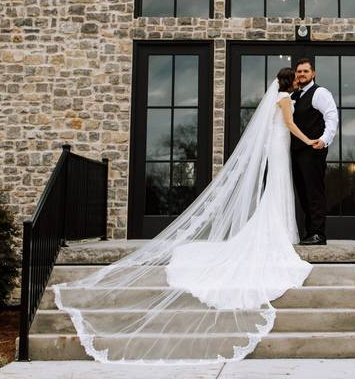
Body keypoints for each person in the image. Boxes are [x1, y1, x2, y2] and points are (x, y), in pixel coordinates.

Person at [52, 67, 315, 364]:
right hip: (279, 148)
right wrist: (309, 141)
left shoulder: (279, 97)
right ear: (288, 80)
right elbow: (290, 126)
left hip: (276, 148)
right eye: (296, 77)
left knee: (277, 188)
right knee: (278, 186)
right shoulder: (284, 99)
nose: (298, 80)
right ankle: (277, 230)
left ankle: (279, 228)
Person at [290, 58, 339, 246]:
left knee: (314, 192)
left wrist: (325, 140)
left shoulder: (320, 93)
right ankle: (310, 232)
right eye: (299, 71)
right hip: (296, 152)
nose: (301, 74)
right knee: (303, 193)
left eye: (305, 71)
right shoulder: (294, 96)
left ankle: (318, 234)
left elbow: (331, 116)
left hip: (313, 150)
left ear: (313, 73)